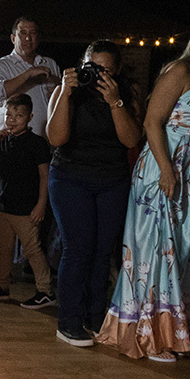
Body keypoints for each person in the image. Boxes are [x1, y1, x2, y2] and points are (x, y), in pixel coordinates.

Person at [97, 15, 190, 370]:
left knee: (186, 252)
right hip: (167, 167)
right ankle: (150, 334)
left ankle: (180, 332)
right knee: (160, 248)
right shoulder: (181, 70)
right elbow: (151, 122)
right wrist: (166, 170)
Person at [45, 40, 143, 347]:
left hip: (112, 180)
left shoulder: (127, 94)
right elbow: (57, 137)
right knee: (78, 249)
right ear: (83, 63)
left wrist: (115, 101)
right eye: (93, 68)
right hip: (70, 177)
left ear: (119, 71)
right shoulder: (67, 92)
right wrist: (65, 92)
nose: (99, 75)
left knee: (102, 252)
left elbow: (130, 140)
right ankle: (69, 322)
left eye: (107, 71)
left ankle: (96, 316)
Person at [0, 93, 53, 309]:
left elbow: (45, 175)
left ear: (30, 117)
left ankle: (45, 290)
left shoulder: (37, 143)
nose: (12, 119)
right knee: (3, 249)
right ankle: (1, 287)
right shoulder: (3, 141)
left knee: (32, 250)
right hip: (4, 206)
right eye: (9, 114)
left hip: (27, 208)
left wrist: (41, 204)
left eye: (19, 115)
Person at [0, 16, 60, 139]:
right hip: (13, 142)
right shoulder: (1, 65)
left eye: (33, 33)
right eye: (23, 33)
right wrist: (28, 74)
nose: (28, 38)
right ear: (13, 38)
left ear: (38, 38)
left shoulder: (49, 63)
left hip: (45, 141)